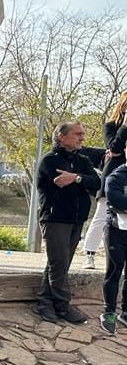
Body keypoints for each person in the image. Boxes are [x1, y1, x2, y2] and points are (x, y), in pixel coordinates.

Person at [33, 121, 101, 324]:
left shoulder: (82, 160)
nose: (82, 138)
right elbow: (65, 185)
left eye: (83, 134)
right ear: (61, 136)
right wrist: (80, 181)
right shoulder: (50, 160)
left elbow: (97, 183)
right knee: (59, 263)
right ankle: (63, 306)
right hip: (56, 219)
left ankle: (45, 302)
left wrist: (77, 178)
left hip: (76, 219)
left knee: (60, 263)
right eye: (77, 134)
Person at [82, 95, 127, 268]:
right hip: (115, 173)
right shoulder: (110, 126)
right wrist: (124, 127)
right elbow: (114, 148)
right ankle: (90, 253)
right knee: (102, 214)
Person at [100, 163, 127, 333]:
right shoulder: (116, 177)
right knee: (114, 271)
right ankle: (108, 311)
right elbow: (115, 199)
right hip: (116, 231)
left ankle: (125, 312)